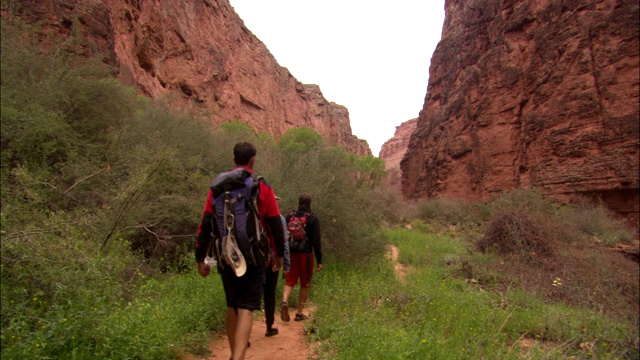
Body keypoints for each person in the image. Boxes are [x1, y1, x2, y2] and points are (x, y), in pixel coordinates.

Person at [195, 141, 285, 360]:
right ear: (252, 160)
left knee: (231, 304)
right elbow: (274, 223)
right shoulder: (261, 185)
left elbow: (206, 223)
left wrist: (201, 258)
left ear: (233, 159)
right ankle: (238, 357)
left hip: (225, 254)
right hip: (254, 255)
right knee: (246, 306)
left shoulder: (217, 186)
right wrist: (279, 253)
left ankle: (234, 352)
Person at [280, 192, 322, 322]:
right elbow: (316, 241)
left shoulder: (289, 217)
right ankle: (299, 313)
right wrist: (319, 260)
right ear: (310, 203)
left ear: (298, 202)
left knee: (289, 281)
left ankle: (285, 301)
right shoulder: (313, 219)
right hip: (306, 255)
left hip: (291, 255)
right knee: (305, 283)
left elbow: (284, 238)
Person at [262, 196, 290, 337]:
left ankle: (244, 333)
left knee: (250, 296)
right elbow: (284, 243)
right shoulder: (279, 219)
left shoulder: (254, 217)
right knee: (269, 293)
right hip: (272, 261)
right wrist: (285, 263)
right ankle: (269, 326)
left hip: (255, 261)